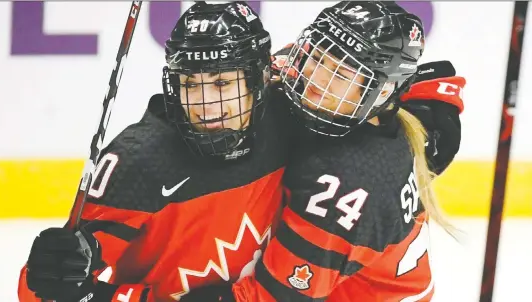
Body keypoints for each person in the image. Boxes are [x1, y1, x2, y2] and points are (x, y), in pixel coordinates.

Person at [181, 1, 465, 301]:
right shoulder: (364, 106)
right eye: (316, 57)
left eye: (340, 75)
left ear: (381, 92)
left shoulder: (348, 183)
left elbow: (268, 298)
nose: (316, 78)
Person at [18, 2, 290, 301]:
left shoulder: (290, 119)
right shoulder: (139, 161)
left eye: (222, 83)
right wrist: (52, 273)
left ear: (259, 79)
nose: (205, 105)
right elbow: (47, 291)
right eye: (189, 84)